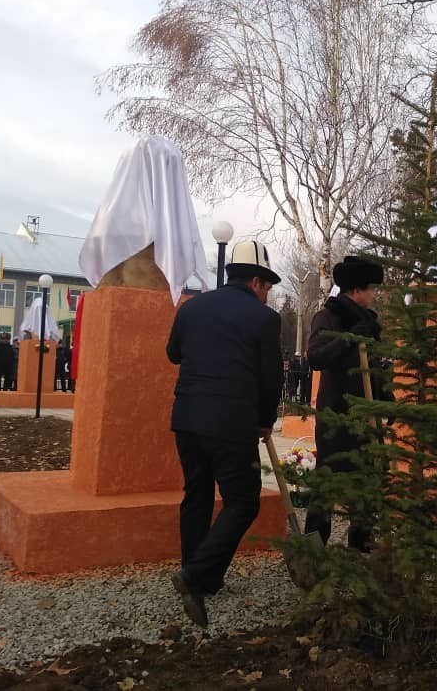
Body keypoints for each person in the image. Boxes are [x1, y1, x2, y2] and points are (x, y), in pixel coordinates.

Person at [166, 240, 283, 628]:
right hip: (231, 423)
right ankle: (195, 575)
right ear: (256, 281)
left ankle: (201, 578)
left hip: (186, 418)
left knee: (196, 495)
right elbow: (271, 379)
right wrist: (266, 420)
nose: (267, 294)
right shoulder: (264, 319)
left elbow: (173, 354)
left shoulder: (191, 307)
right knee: (243, 502)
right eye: (267, 287)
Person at [304, 255, 388, 551]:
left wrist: (385, 396)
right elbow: (316, 357)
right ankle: (314, 545)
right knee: (328, 480)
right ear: (355, 290)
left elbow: (373, 367)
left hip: (367, 416)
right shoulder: (328, 317)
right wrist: (349, 338)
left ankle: (361, 541)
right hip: (336, 416)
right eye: (371, 289)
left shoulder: (369, 323)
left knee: (367, 478)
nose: (374, 295)